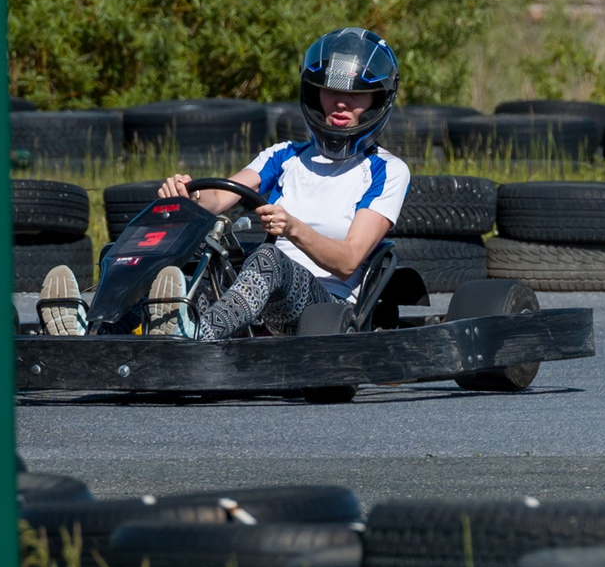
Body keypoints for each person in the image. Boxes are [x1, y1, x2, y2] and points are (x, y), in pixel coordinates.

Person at [38, 28, 409, 337]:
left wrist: (294, 229)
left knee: (268, 258)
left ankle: (198, 336)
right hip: (254, 299)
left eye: (355, 95)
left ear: (377, 100)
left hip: (323, 308)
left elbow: (348, 261)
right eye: (331, 92)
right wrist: (187, 196)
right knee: (189, 266)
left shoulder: (387, 170)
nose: (341, 104)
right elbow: (220, 196)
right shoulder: (284, 156)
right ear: (314, 93)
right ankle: (94, 331)